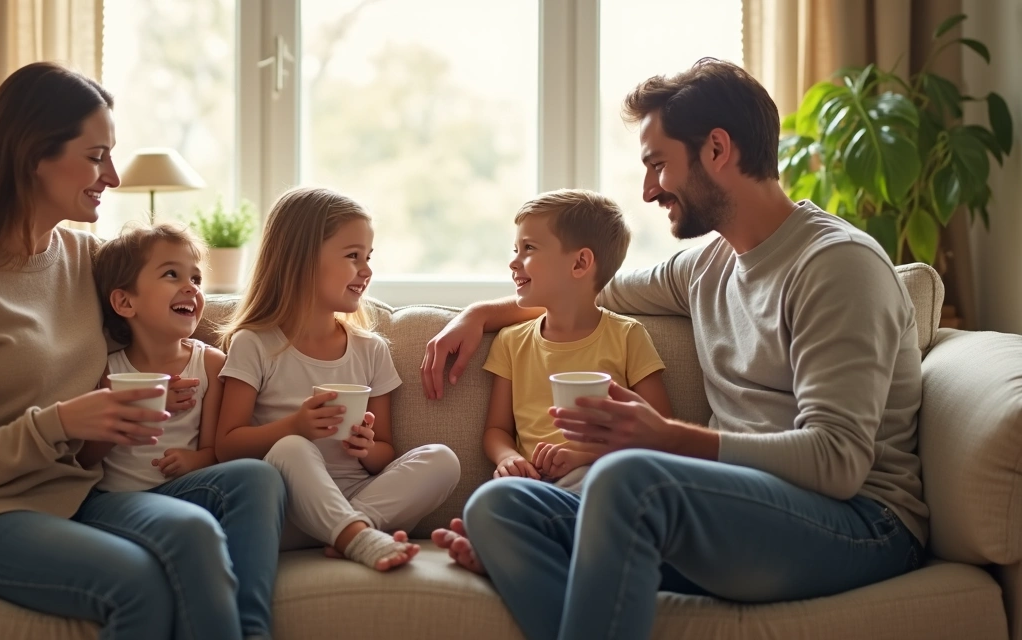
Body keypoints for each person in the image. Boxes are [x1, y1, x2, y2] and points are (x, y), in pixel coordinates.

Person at [425, 58, 927, 640]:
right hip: (729, 515)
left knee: (630, 477)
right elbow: (584, 289)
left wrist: (664, 438)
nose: (647, 190)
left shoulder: (835, 267)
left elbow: (838, 463)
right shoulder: (705, 267)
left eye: (658, 165)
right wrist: (479, 314)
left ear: (717, 149)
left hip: (860, 522)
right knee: (499, 509)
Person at [0, 62, 285, 640]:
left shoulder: (83, 258)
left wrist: (169, 377)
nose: (112, 176)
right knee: (140, 577)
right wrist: (60, 422)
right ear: (33, 156)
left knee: (249, 484)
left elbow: (165, 314)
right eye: (96, 156)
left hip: (83, 492)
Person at [216, 186, 460, 572]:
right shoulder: (255, 343)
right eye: (352, 256)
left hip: (358, 494)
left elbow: (384, 454)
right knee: (292, 448)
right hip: (289, 507)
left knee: (442, 459)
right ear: (301, 260)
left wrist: (366, 448)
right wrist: (294, 426)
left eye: (368, 257)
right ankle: (355, 533)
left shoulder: (370, 349)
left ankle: (350, 533)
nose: (366, 270)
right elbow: (225, 446)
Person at [451, 189, 672, 490]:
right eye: (515, 249)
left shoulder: (627, 336)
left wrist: (583, 456)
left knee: (614, 481)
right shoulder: (511, 341)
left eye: (528, 248)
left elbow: (661, 432)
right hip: (536, 485)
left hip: (601, 477)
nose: (514, 262)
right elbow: (496, 429)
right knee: (493, 495)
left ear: (580, 263)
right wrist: (508, 458)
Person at [82, 223, 223, 486]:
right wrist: (142, 408)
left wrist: (195, 461)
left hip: (188, 490)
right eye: (172, 274)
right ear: (125, 302)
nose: (191, 288)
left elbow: (217, 451)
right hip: (118, 500)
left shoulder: (211, 364)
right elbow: (85, 457)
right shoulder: (108, 370)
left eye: (196, 279)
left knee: (258, 474)